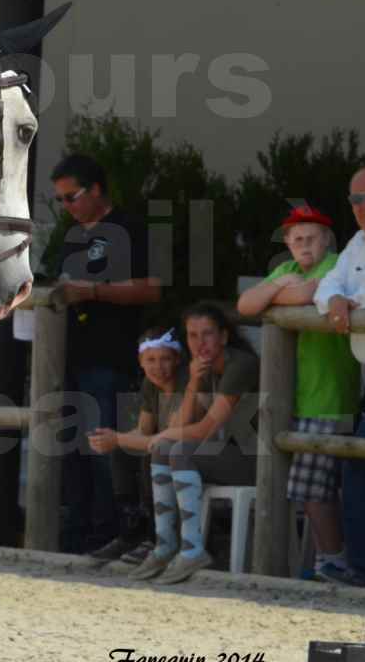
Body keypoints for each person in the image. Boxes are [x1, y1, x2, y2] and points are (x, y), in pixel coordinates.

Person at [237, 205, 361, 584]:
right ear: (288, 245)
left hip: (330, 394)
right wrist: (278, 288)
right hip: (293, 397)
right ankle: (329, 561)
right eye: (296, 240)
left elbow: (312, 293)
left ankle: (334, 562)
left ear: (327, 240)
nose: (304, 245)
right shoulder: (286, 271)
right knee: (311, 486)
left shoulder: (337, 264)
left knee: (309, 486)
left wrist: (277, 295)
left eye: (311, 238)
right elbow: (245, 305)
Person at [47, 153, 162, 557]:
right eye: (61, 200)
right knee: (72, 449)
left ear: (96, 190)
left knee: (104, 449)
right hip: (70, 358)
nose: (67, 207)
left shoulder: (130, 229)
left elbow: (151, 289)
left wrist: (93, 291)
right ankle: (74, 532)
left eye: (72, 197)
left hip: (111, 357)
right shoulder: (71, 236)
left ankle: (109, 532)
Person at [127, 303, 261, 584]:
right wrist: (193, 384)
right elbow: (183, 426)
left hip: (261, 462)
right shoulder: (204, 367)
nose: (200, 343)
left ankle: (192, 548)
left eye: (207, 334)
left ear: (223, 337)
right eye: (192, 335)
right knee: (166, 449)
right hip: (226, 455)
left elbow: (203, 430)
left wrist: (160, 436)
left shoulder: (240, 364)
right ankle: (165, 545)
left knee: (174, 448)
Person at [314, 165, 365, 588]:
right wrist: (335, 297)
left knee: (358, 462)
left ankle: (361, 571)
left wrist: (345, 301)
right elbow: (325, 284)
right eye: (356, 200)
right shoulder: (358, 242)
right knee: (358, 462)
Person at [88, 326, 186, 568]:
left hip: (193, 452)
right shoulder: (150, 385)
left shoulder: (186, 386)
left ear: (177, 360)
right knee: (122, 451)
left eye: (165, 359)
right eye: (150, 360)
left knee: (148, 452)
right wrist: (110, 439)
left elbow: (168, 438)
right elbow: (144, 430)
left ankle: (156, 537)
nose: (158, 367)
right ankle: (132, 530)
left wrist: (118, 438)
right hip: (165, 449)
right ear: (141, 362)